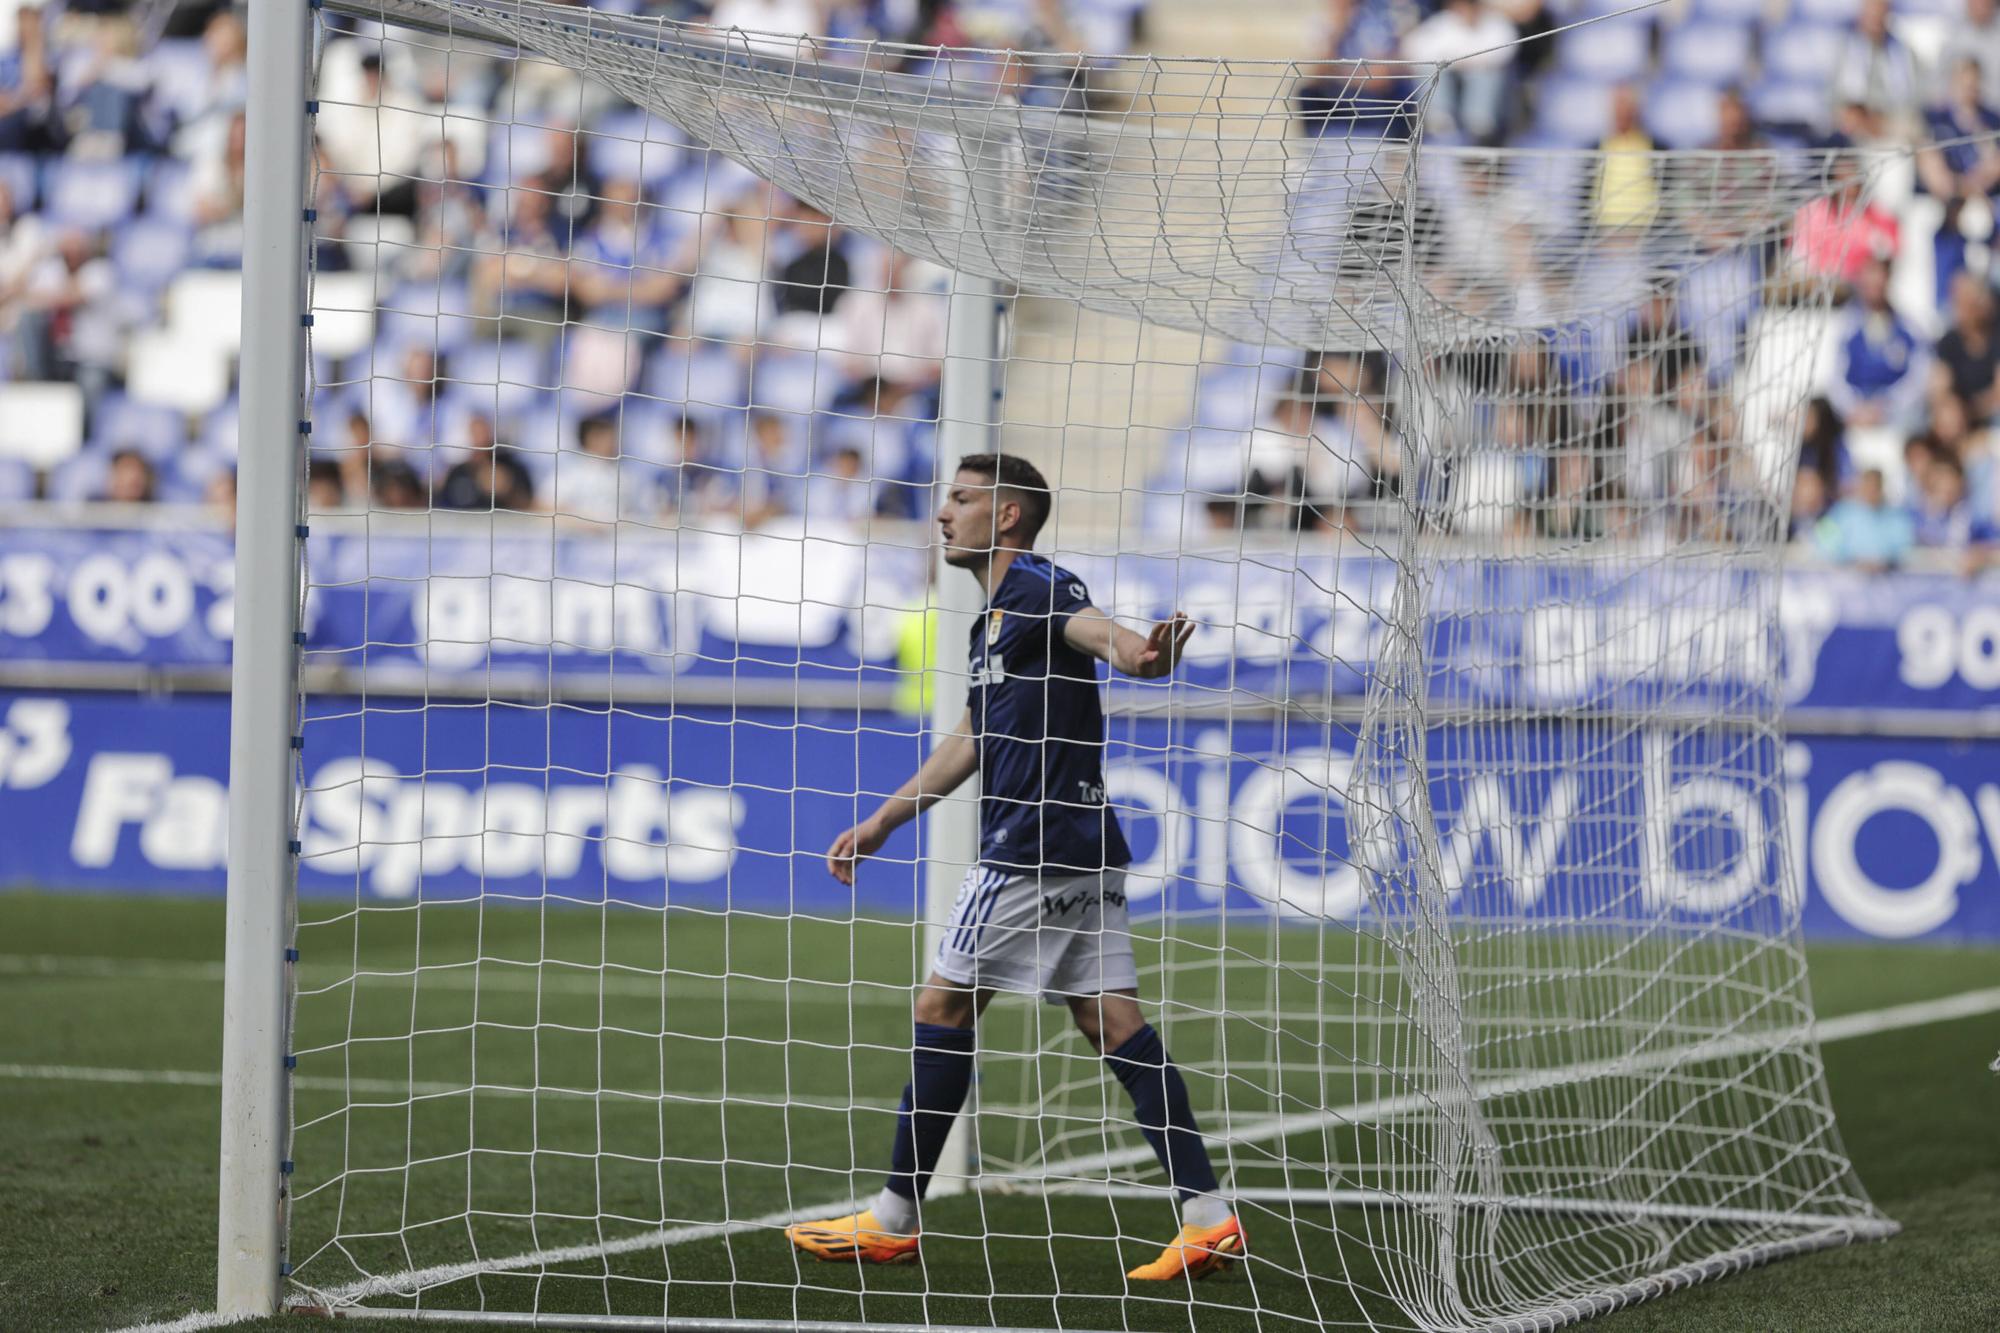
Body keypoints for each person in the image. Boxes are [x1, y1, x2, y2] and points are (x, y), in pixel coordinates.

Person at [785, 453, 1243, 1282]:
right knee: (1113, 1023)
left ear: (1004, 516)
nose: (942, 513)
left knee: (941, 1003)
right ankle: (1206, 1215)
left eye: (960, 499)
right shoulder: (989, 621)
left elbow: (1096, 629)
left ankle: (893, 1217)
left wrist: (1141, 655)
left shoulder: (1036, 582)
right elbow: (970, 738)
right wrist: (886, 817)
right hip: (1085, 845)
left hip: (1032, 845)